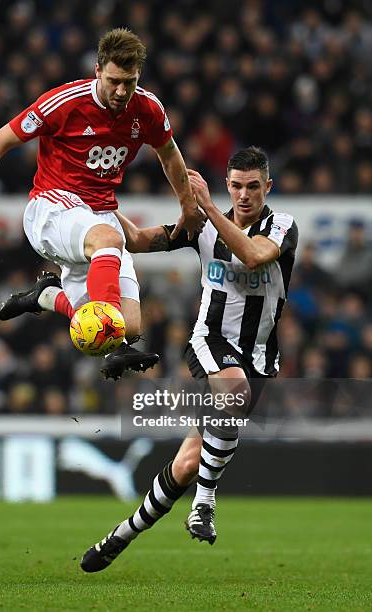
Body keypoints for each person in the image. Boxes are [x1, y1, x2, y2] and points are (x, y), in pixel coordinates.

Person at [79, 146, 299, 572]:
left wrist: (208, 209)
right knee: (232, 390)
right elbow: (140, 241)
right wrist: (104, 210)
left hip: (259, 356)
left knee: (186, 463)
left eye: (253, 186)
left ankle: (121, 534)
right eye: (236, 186)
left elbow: (254, 255)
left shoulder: (281, 226)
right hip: (209, 340)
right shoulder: (202, 225)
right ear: (228, 185)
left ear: (267, 187)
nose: (244, 195)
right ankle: (205, 502)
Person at [0, 28, 203, 379]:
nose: (122, 91)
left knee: (132, 325)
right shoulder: (64, 102)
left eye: (130, 82)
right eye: (114, 81)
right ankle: (114, 340)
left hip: (99, 213)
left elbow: (169, 156)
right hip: (51, 208)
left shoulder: (148, 109)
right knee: (109, 256)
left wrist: (189, 211)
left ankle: (47, 296)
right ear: (97, 71)